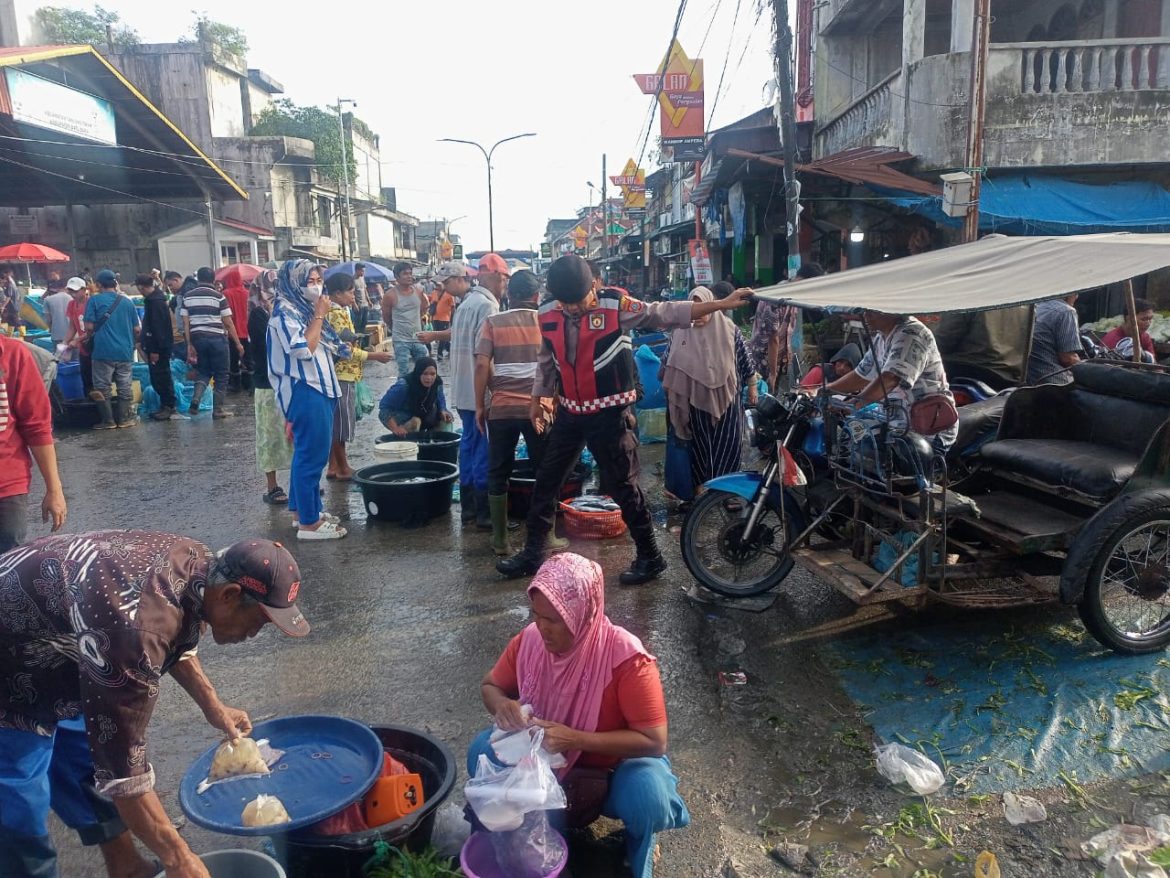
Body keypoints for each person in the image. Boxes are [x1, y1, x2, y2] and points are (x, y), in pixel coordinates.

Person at [0, 531, 310, 878]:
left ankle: (128, 868)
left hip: (62, 639)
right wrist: (179, 857)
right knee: (16, 805)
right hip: (9, 666)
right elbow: (124, 770)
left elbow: (177, 629)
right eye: (261, 620)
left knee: (81, 755)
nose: (257, 633)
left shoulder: (197, 564)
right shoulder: (136, 633)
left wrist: (213, 705)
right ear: (230, 594)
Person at [498, 254, 751, 583]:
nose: (573, 309)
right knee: (546, 481)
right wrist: (537, 399)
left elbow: (663, 312)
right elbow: (547, 359)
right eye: (566, 303)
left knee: (624, 487)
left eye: (578, 301)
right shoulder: (547, 313)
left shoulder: (616, 306)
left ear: (593, 286)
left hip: (610, 414)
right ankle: (533, 552)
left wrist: (721, 304)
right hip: (570, 413)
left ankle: (650, 556)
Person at [471, 553, 688, 878]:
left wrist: (576, 739)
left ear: (582, 615)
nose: (541, 627)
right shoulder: (530, 641)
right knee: (481, 751)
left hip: (612, 772)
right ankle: (535, 826)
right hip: (544, 765)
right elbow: (491, 685)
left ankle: (638, 842)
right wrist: (502, 705)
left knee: (648, 796)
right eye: (535, 614)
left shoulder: (627, 660)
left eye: (553, 619)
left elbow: (654, 741)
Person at [475, 269, 560, 555]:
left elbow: (481, 364)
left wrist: (480, 403)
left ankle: (500, 540)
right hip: (540, 409)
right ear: (537, 296)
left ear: (509, 295)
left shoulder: (493, 322)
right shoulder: (547, 322)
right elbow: (559, 365)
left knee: (498, 471)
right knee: (545, 471)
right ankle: (547, 536)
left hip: (501, 408)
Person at [418, 257, 506, 527]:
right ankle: (484, 513)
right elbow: (485, 355)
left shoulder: (467, 304)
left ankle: (469, 509)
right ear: (489, 277)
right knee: (482, 447)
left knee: (468, 445)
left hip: (463, 386)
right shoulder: (487, 305)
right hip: (479, 388)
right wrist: (494, 390)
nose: (504, 285)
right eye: (503, 278)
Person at [267, 259, 347, 540]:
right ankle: (309, 524)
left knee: (311, 454)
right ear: (293, 282)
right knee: (311, 457)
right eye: (309, 281)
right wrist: (320, 315)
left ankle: (305, 511)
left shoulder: (301, 310)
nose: (316, 286)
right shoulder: (284, 314)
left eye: (318, 280)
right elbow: (303, 350)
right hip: (305, 389)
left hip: (321, 388)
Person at [661, 286, 758, 490]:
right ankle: (700, 489)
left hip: (727, 400)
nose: (699, 313)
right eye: (695, 308)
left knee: (728, 445)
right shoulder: (680, 331)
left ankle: (727, 490)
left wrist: (752, 386)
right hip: (693, 400)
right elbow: (667, 363)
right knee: (698, 447)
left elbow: (745, 360)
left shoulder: (729, 328)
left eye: (703, 306)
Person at [825, 310, 958, 450]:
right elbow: (862, 374)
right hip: (893, 421)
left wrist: (855, 403)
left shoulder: (912, 334)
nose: (866, 315)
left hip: (926, 428)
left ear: (891, 310)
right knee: (848, 443)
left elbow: (891, 378)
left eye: (872, 311)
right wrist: (825, 390)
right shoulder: (881, 337)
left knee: (872, 460)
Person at [0, 333, 66, 553]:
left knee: (7, 572)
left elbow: (37, 427)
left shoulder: (14, 354)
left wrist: (54, 490)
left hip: (6, 490)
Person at [324, 272, 392, 481]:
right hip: (342, 374)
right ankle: (343, 467)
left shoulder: (339, 311)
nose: (354, 296)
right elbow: (343, 349)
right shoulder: (336, 314)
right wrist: (374, 356)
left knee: (338, 421)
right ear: (337, 293)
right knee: (340, 425)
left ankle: (334, 466)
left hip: (343, 373)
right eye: (351, 292)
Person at [248, 270, 292, 506]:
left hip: (290, 381)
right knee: (270, 435)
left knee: (295, 435)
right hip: (267, 383)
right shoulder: (258, 314)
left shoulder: (289, 309)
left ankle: (301, 483)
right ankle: (272, 486)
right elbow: (266, 348)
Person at [181, 267, 245, 418]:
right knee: (221, 374)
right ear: (213, 279)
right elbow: (228, 322)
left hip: (197, 339)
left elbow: (185, 323)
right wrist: (237, 343)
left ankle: (196, 398)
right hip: (217, 339)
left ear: (198, 279)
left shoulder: (187, 297)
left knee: (203, 371)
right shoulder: (218, 296)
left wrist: (189, 344)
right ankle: (218, 410)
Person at [749, 263, 824, 391]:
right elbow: (773, 339)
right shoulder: (776, 298)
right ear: (804, 281)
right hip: (763, 361)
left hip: (778, 360)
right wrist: (773, 374)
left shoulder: (792, 297)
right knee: (760, 400)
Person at [84, 269, 140, 430]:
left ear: (99, 284)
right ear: (115, 283)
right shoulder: (127, 302)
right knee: (124, 385)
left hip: (102, 350)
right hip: (124, 351)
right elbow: (137, 329)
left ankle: (108, 421)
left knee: (102, 386)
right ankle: (124, 419)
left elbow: (88, 326)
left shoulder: (94, 301)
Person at [136, 273, 178, 421]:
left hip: (159, 348)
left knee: (162, 376)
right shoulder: (154, 300)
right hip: (157, 346)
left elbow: (158, 328)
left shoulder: (156, 302)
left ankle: (169, 406)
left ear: (141, 287)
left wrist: (155, 350)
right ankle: (165, 405)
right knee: (157, 377)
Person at [379, 356, 454, 434]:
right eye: (425, 374)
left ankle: (432, 442)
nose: (429, 378)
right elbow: (384, 409)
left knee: (446, 420)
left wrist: (443, 410)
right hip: (405, 416)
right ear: (418, 373)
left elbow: (441, 400)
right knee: (415, 422)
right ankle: (406, 441)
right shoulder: (404, 386)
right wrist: (395, 428)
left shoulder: (437, 382)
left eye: (432, 374)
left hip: (424, 414)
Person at [382, 262, 429, 377]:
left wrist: (418, 319)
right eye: (405, 274)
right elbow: (386, 316)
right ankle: (403, 394)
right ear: (397, 277)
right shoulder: (390, 295)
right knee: (403, 371)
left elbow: (424, 307)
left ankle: (420, 393)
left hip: (417, 337)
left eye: (410, 273)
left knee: (424, 368)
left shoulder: (418, 291)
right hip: (400, 340)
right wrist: (395, 328)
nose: (409, 276)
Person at [1026, 294, 1082, 385]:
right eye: (1076, 293)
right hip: (1049, 379)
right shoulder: (1066, 311)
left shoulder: (1035, 306)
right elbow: (1067, 358)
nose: (1077, 297)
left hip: (1027, 375)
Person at [220, 266, 253, 393]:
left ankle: (236, 386)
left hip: (233, 332)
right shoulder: (247, 293)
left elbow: (225, 316)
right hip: (248, 331)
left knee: (233, 359)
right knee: (249, 358)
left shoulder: (226, 294)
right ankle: (250, 385)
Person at [1101, 298, 1157, 362]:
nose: (1148, 323)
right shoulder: (1112, 339)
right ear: (1129, 318)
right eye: (1144, 319)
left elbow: (1153, 364)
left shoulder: (1145, 337)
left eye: (1150, 319)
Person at [63, 276, 93, 394]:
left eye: (75, 291)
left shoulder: (91, 303)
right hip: (83, 348)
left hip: (94, 345)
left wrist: (77, 340)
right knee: (86, 380)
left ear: (84, 289)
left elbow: (93, 329)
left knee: (96, 380)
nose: (73, 294)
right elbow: (72, 326)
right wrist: (65, 341)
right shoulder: (71, 304)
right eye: (71, 291)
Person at [429, 279, 456, 358]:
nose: (437, 287)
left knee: (442, 336)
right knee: (439, 336)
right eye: (436, 285)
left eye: (439, 285)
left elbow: (453, 308)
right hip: (435, 318)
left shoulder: (449, 294)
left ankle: (439, 353)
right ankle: (450, 349)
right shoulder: (434, 293)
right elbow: (432, 305)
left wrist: (453, 319)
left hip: (445, 319)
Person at [41, 280, 73, 347]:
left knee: (59, 356)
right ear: (66, 287)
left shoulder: (48, 300)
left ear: (56, 288)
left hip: (56, 334)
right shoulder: (73, 299)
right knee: (75, 357)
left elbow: (47, 319)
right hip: (73, 336)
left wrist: (50, 328)